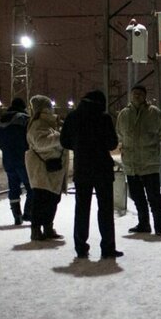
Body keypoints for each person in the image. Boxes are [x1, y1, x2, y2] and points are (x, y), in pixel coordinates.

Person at [59, 90, 122, 259]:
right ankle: (108, 247)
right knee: (106, 210)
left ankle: (81, 247)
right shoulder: (104, 118)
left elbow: (64, 141)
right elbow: (112, 143)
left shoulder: (73, 117)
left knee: (81, 209)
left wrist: (80, 146)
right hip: (102, 169)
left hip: (82, 168)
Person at [117, 85, 161, 235]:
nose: (137, 96)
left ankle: (159, 226)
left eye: (140, 93)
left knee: (154, 197)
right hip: (131, 163)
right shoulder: (124, 114)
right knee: (137, 196)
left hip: (149, 163)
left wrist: (151, 147)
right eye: (134, 94)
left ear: (145, 96)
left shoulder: (154, 113)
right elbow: (119, 133)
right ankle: (143, 223)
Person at [25, 95, 68, 241]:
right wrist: (60, 138)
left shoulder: (49, 122)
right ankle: (36, 230)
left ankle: (48, 227)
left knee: (53, 199)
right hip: (42, 168)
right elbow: (40, 143)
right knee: (41, 200)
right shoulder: (38, 124)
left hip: (51, 167)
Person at [0, 96, 33, 225]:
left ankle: (17, 216)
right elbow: (29, 139)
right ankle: (28, 213)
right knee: (31, 187)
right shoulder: (24, 119)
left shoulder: (2, 120)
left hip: (7, 159)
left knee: (13, 188)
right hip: (22, 158)